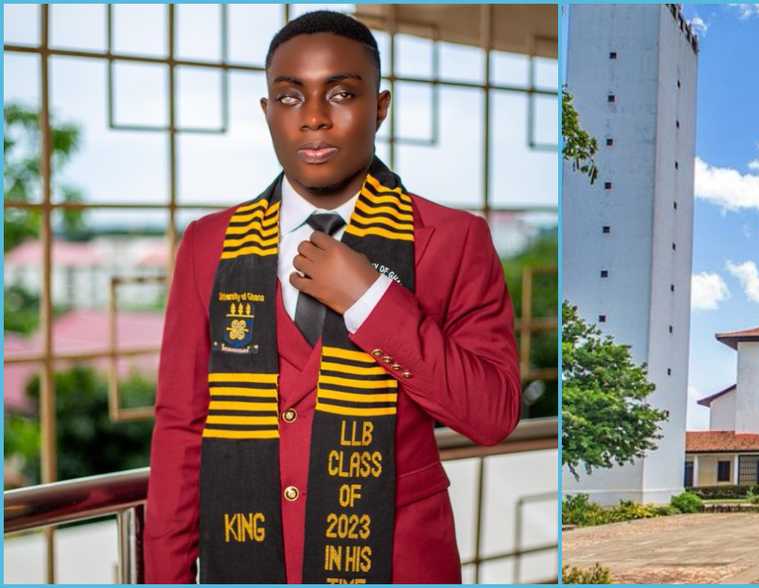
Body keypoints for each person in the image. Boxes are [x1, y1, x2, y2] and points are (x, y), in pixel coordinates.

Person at [143, 10, 521, 584]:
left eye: (341, 93)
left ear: (380, 107)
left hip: (398, 566)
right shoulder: (207, 245)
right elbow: (180, 429)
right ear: (267, 112)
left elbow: (491, 414)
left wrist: (370, 298)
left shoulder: (454, 240)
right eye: (290, 98)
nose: (315, 118)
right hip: (244, 562)